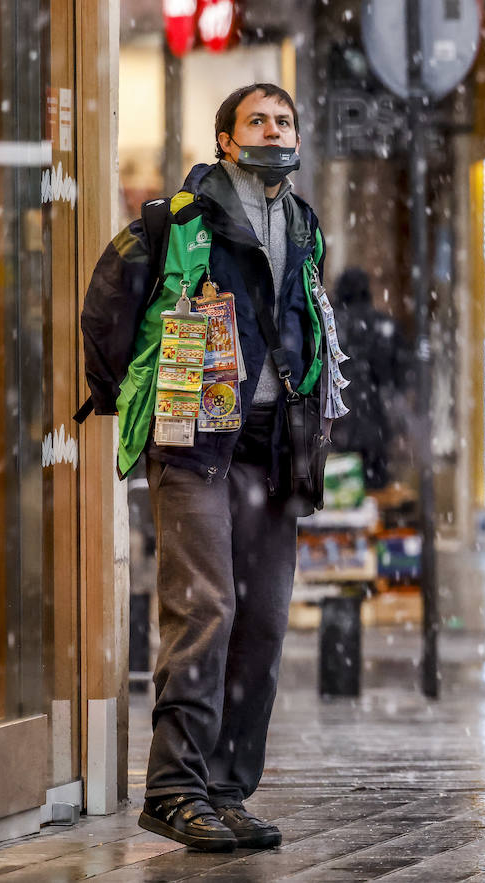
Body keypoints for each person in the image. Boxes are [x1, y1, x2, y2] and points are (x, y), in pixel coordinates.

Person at [81, 83, 338, 852]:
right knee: (207, 606)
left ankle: (225, 789)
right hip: (193, 439)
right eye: (256, 120)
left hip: (273, 445)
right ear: (224, 139)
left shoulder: (302, 221)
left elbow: (306, 322)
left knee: (261, 616)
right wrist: (122, 391)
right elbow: (106, 308)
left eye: (283, 119)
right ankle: (174, 789)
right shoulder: (177, 222)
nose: (272, 129)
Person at [329, 267, 404, 488]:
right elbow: (394, 377)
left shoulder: (331, 325)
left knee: (340, 494)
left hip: (338, 426)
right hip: (374, 427)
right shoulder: (383, 325)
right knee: (374, 496)